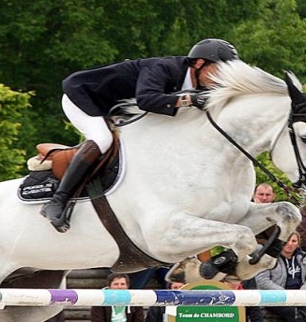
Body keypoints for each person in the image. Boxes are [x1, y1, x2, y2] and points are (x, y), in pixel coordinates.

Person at [41, 38, 239, 232]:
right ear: (199, 63)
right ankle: (57, 200)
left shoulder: (197, 85)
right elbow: (146, 99)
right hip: (83, 97)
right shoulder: (164, 68)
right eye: (220, 70)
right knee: (103, 139)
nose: (221, 78)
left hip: (117, 109)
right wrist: (189, 100)